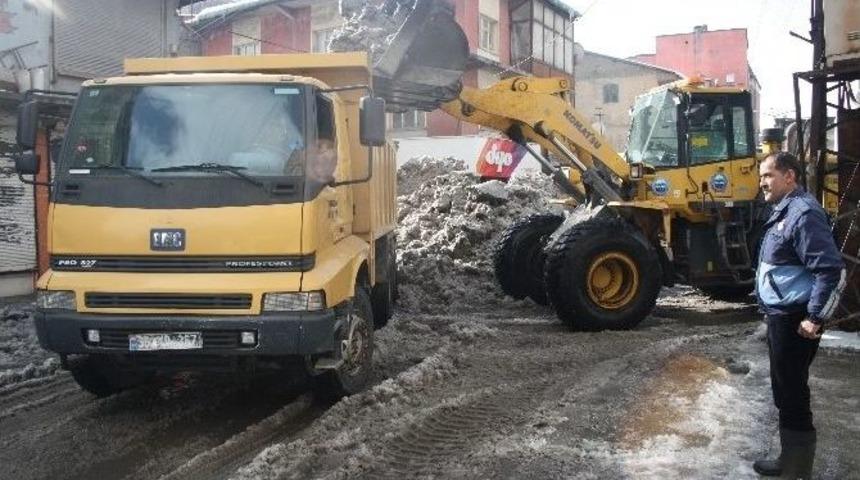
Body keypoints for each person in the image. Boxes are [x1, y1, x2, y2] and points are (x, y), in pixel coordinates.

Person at [753, 152, 845, 479]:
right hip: (781, 315)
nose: (761, 182)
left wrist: (815, 316)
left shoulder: (803, 213)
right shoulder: (785, 210)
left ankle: (796, 471)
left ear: (789, 176)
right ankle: (788, 460)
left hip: (796, 320)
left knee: (792, 393)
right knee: (785, 390)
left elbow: (830, 270)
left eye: (767, 175)